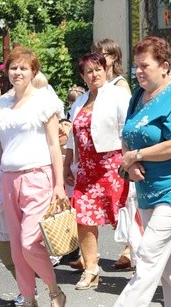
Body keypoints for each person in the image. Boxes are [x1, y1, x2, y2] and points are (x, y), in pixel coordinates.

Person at [115, 36, 171, 306]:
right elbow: (128, 134)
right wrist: (131, 163)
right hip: (146, 188)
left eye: (145, 65)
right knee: (168, 263)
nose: (139, 71)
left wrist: (136, 155)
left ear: (164, 66)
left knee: (148, 255)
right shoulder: (138, 95)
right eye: (137, 66)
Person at [0, 46, 66, 306]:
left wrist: (59, 185)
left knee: (28, 243)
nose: (18, 72)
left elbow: (53, 145)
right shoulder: (0, 104)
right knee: (15, 248)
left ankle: (54, 289)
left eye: (23, 68)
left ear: (33, 71)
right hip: (8, 179)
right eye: (13, 68)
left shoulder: (44, 101)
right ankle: (28, 298)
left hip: (38, 177)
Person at [64, 52, 130, 289]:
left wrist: (129, 160)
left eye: (98, 69)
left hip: (113, 165)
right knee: (82, 218)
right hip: (86, 169)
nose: (95, 74)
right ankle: (91, 268)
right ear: (83, 76)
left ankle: (141, 261)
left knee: (122, 216)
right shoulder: (80, 101)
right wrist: (66, 164)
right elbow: (72, 136)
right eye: (89, 71)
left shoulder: (118, 95)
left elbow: (127, 129)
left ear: (105, 70)